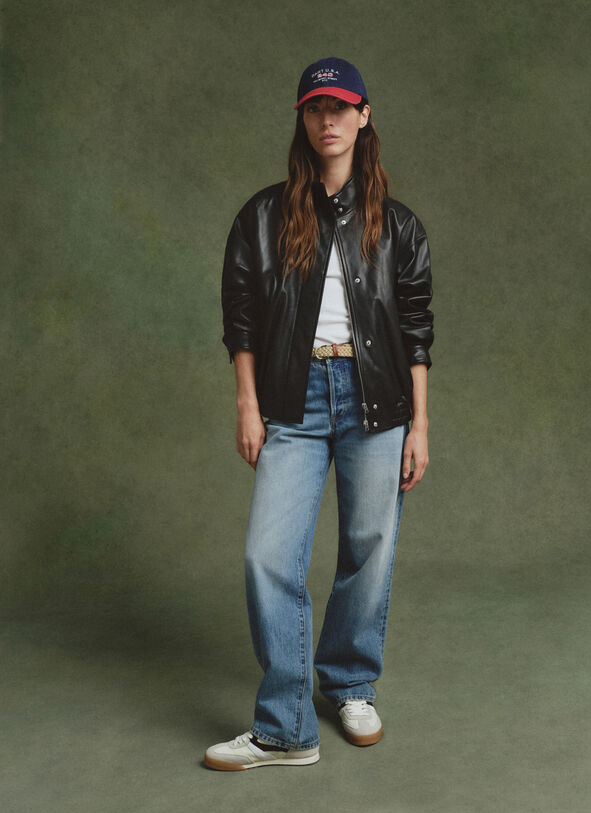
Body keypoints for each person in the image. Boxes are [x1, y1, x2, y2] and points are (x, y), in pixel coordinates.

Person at [204, 56, 434, 771]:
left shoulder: (398, 226)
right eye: (314, 108)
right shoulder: (263, 216)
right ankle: (285, 727)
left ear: (364, 116)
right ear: (302, 120)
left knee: (369, 549)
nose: (327, 119)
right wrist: (248, 403)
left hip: (378, 402)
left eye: (340, 107)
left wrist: (421, 425)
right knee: (267, 556)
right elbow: (241, 318)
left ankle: (349, 683)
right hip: (292, 402)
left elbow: (416, 330)